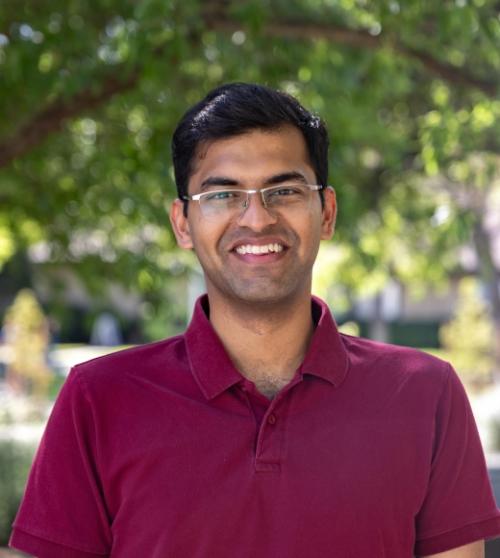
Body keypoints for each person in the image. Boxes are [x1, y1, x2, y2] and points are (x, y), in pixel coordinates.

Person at [10, 83, 500, 558]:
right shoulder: (98, 400)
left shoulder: (425, 392)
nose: (257, 219)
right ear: (183, 224)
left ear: (326, 212)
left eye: (283, 190)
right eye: (222, 195)